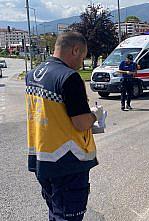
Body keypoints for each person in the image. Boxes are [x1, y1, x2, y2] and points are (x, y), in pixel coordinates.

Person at [25, 32, 103, 221]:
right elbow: (81, 122)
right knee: (68, 217)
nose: (80, 64)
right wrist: (95, 115)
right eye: (82, 58)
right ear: (75, 50)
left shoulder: (33, 74)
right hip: (68, 162)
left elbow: (52, 115)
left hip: (42, 158)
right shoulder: (69, 77)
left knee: (55, 213)